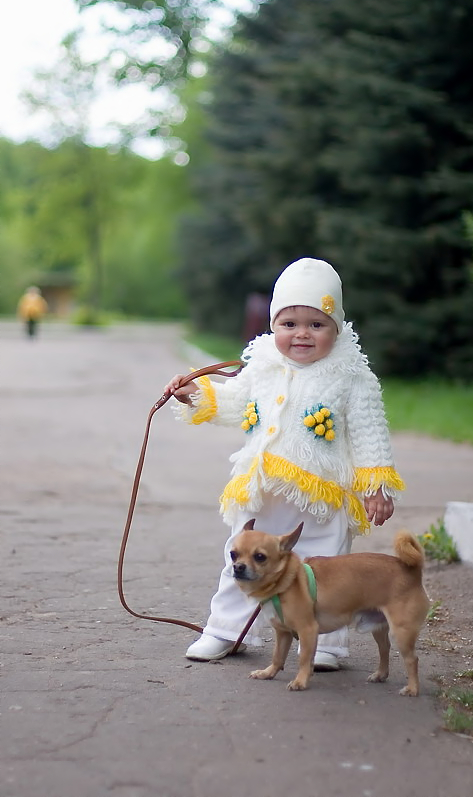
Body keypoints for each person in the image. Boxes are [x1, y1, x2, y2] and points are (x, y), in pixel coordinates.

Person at [164, 257, 405, 670]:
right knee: (240, 557)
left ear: (337, 327)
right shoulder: (262, 365)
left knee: (324, 567)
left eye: (316, 324)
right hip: (262, 490)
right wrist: (196, 396)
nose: (301, 335)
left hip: (322, 495)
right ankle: (227, 629)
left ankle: (326, 642)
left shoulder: (350, 374)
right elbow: (237, 404)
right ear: (273, 325)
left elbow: (369, 431)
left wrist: (376, 487)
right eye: (289, 323)